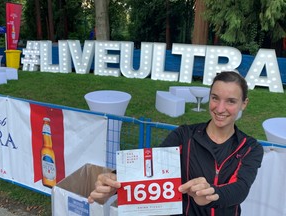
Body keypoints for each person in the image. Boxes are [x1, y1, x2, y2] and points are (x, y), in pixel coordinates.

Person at [88, 71, 264, 216]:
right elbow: (151, 165)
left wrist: (212, 193)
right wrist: (117, 180)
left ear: (244, 104)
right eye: (215, 98)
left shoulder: (250, 147)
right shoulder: (185, 134)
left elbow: (240, 188)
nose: (219, 108)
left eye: (231, 101)